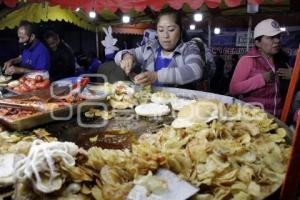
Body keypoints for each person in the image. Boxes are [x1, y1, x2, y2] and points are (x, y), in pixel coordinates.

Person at [114, 8, 203, 89]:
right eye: (161, 30)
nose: (165, 36)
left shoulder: (189, 48)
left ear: (180, 31)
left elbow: (196, 70)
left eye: (171, 30)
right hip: (149, 103)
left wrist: (156, 76)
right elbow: (119, 55)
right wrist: (127, 56)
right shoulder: (150, 48)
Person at [229, 19, 291, 117]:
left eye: (278, 37)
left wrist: (294, 78)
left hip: (278, 119)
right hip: (253, 119)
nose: (277, 41)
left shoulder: (283, 60)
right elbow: (233, 89)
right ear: (258, 43)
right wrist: (261, 79)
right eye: (271, 37)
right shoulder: (248, 60)